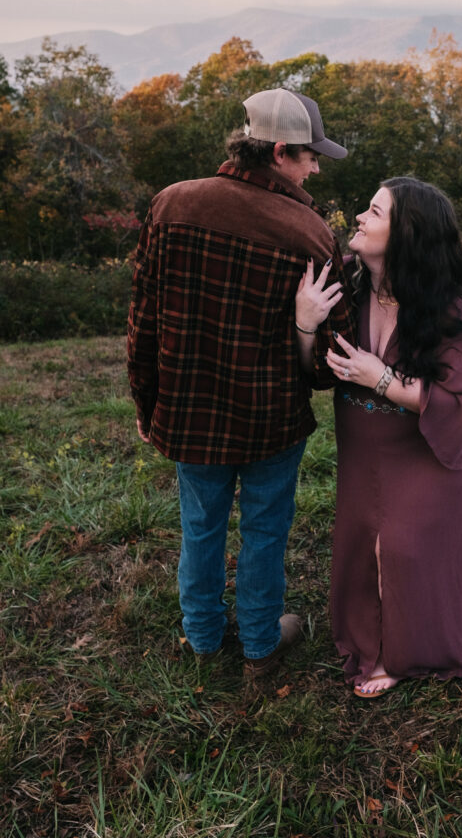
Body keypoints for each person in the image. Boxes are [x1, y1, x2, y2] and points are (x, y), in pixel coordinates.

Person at [127, 87, 353, 677]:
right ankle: (259, 645)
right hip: (270, 421)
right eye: (309, 156)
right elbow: (333, 360)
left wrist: (146, 401)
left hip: (187, 412)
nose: (315, 167)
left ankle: (202, 639)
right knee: (265, 530)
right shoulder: (311, 236)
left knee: (199, 528)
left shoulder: (171, 204)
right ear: (279, 151)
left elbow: (142, 319)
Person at [296, 176, 462, 697]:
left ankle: (404, 653)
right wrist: (303, 325)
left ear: (406, 233)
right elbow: (312, 372)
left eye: (373, 211)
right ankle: (374, 639)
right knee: (367, 549)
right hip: (366, 454)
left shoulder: (448, 308)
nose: (359, 219)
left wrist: (380, 378)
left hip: (427, 456)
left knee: (402, 550)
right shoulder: (347, 283)